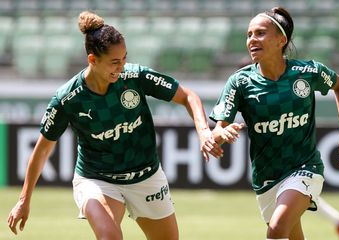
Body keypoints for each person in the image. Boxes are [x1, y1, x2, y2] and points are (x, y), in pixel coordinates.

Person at [7, 11, 222, 240]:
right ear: (92, 59)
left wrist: (203, 131)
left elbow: (187, 96)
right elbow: (42, 150)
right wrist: (24, 200)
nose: (121, 68)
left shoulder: (134, 76)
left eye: (124, 59)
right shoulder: (67, 99)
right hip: (97, 179)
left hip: (146, 176)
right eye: (114, 62)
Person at [208, 7, 339, 240]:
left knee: (276, 231)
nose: (252, 40)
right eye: (249, 34)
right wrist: (219, 135)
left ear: (281, 40)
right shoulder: (239, 82)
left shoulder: (307, 72)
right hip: (266, 177)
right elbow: (217, 129)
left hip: (305, 168)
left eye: (260, 33)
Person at [238, 56, 339, 240]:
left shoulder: (300, 75)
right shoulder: (243, 88)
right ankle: (338, 220)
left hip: (302, 165)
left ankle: (338, 220)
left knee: (278, 227)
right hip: (269, 174)